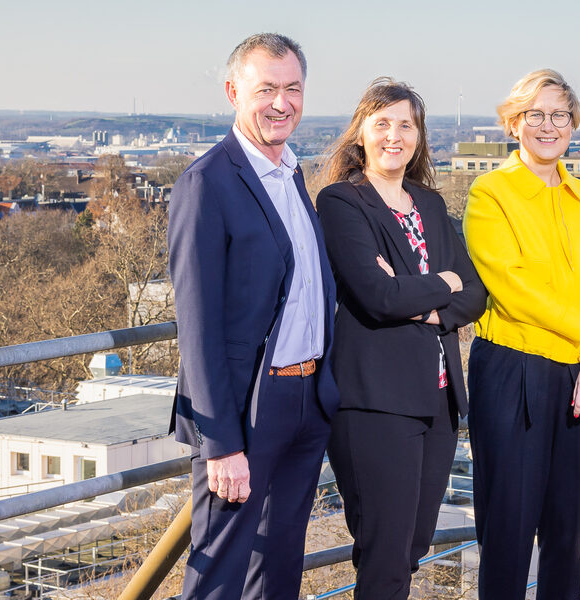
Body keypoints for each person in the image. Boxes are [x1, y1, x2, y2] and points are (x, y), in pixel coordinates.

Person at [167, 33, 338, 599]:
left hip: (306, 399)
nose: (280, 103)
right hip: (246, 408)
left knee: (281, 564)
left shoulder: (292, 173)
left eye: (292, 89)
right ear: (233, 91)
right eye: (266, 89)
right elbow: (197, 324)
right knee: (220, 571)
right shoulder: (206, 182)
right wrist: (221, 443)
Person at [315, 78, 486, 598]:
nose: (395, 136)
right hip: (375, 402)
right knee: (385, 553)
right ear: (361, 134)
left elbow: (475, 293)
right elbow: (376, 296)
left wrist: (424, 302)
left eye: (406, 125)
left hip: (437, 400)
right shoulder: (343, 202)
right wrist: (441, 285)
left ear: (419, 137)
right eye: (382, 124)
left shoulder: (430, 204)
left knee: (412, 546)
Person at [462, 68, 580, 600]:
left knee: (566, 531)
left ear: (573, 125)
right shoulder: (490, 194)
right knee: (508, 531)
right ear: (514, 123)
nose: (548, 126)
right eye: (535, 114)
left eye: (560, 115)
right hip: (513, 374)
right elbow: (513, 287)